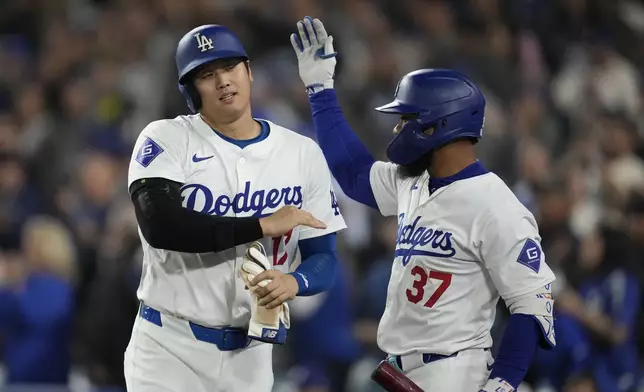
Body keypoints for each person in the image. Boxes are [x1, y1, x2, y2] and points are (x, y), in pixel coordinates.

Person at [290, 17, 556, 391]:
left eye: (406, 119)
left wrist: (503, 384)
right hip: (397, 371)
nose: (397, 130)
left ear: (438, 126)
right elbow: (352, 173)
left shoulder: (496, 204)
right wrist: (320, 89)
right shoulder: (412, 181)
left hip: (454, 373)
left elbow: (533, 305)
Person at [123, 24, 346, 392]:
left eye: (230, 68)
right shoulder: (166, 138)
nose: (223, 81)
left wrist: (295, 281)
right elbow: (161, 227)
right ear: (191, 90)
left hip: (252, 354)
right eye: (207, 75)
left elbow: (325, 258)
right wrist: (260, 225)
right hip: (169, 348)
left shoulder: (301, 152)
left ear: (249, 71)